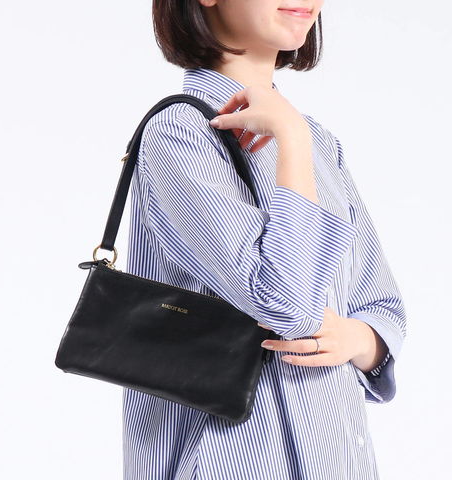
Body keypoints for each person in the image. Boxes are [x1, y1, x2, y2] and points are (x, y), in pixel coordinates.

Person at [122, 1, 407, 478]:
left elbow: (383, 307)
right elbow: (286, 306)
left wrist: (358, 338)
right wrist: (290, 137)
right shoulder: (180, 135)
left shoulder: (319, 143)